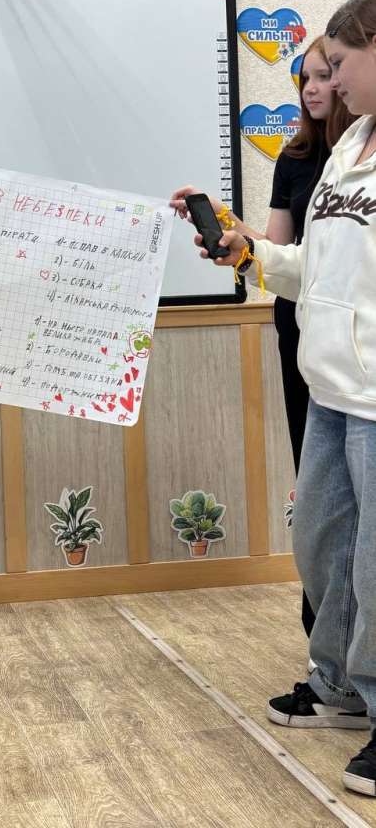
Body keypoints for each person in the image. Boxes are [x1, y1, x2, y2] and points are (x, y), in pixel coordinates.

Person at [182, 0, 376, 797]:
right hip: (329, 386)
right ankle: (340, 686)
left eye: (342, 61)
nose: (331, 78)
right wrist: (247, 250)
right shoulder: (352, 140)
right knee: (323, 547)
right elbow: (316, 266)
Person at [170, 35, 355, 641]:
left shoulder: (357, 156)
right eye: (306, 78)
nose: (315, 88)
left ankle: (351, 652)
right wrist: (226, 227)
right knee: (318, 484)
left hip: (355, 343)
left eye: (328, 73)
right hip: (301, 328)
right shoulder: (300, 157)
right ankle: (325, 644)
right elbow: (282, 253)